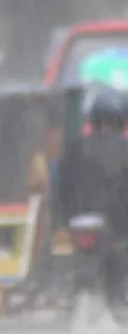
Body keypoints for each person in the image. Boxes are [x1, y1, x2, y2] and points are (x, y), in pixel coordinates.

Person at [54, 88, 128, 303]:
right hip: (116, 224)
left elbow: (61, 186)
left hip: (77, 219)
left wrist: (63, 219)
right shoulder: (124, 149)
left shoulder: (75, 148)